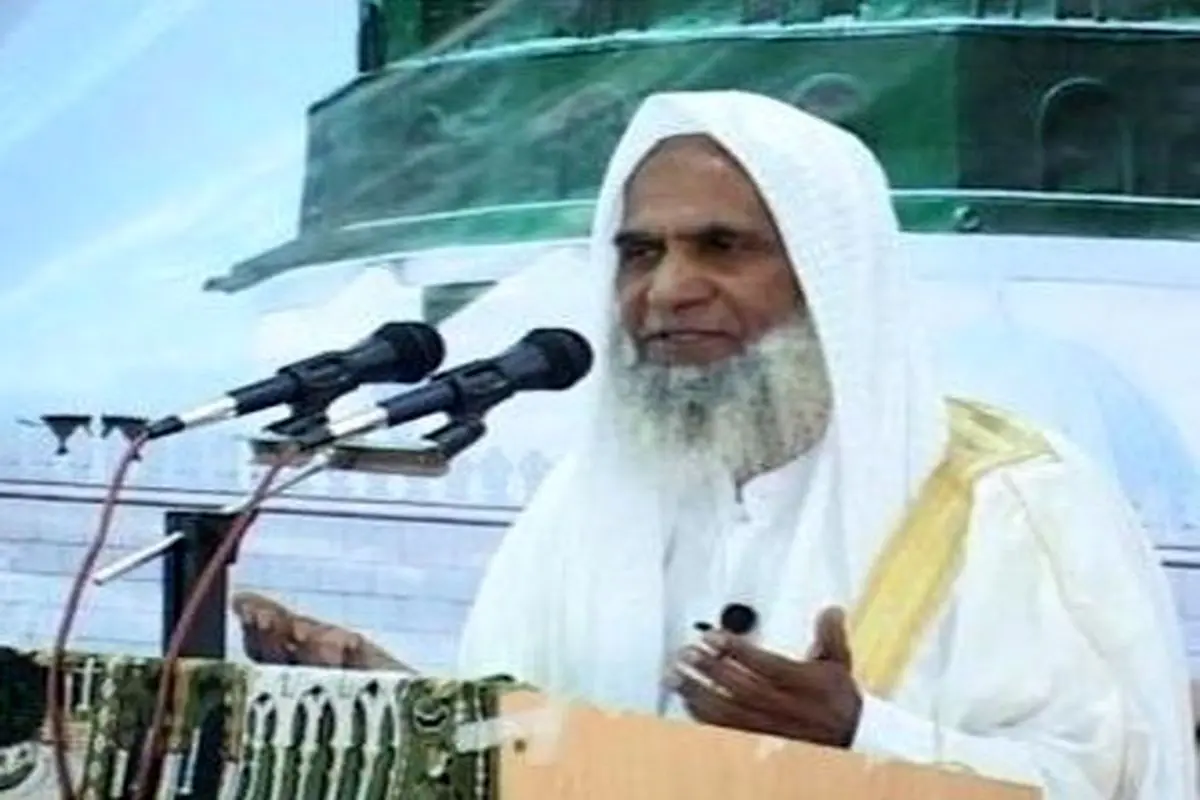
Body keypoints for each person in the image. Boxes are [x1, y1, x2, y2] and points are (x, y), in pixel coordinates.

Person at [238, 91, 1196, 798]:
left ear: (828, 276)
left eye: (723, 247)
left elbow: (1115, 781)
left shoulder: (1006, 502)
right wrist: (394, 702)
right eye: (640, 253)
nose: (668, 291)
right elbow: (547, 756)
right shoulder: (585, 503)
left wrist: (860, 734)